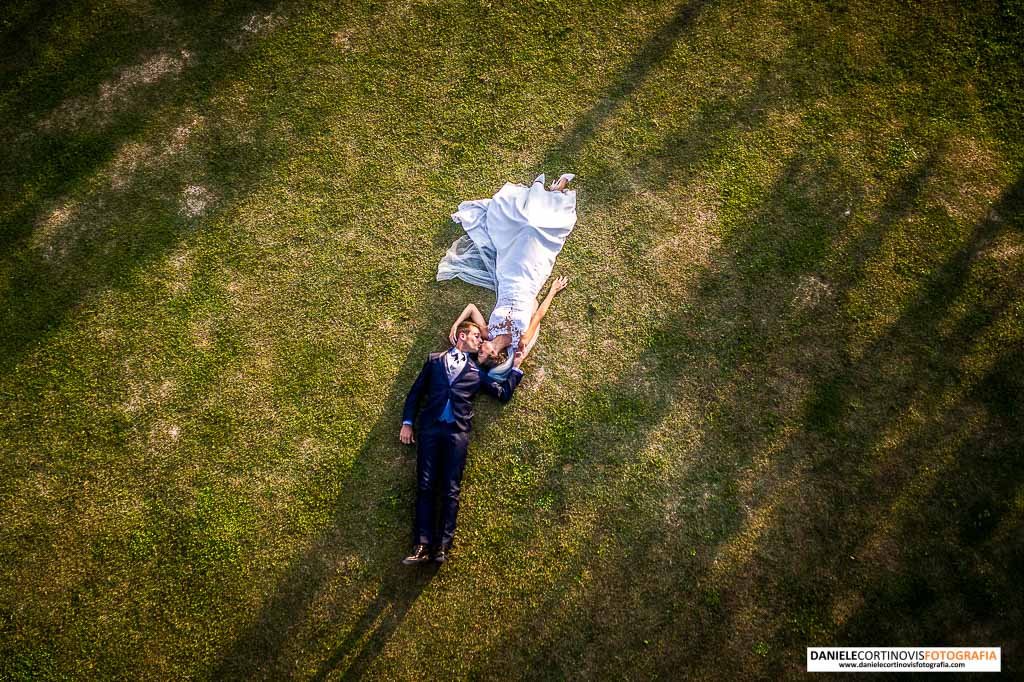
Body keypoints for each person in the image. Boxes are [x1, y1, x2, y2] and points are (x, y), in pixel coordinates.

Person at [399, 320, 524, 565]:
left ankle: (442, 547)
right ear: (462, 336)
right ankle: (422, 545)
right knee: (425, 485)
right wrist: (407, 422)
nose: (481, 340)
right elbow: (416, 393)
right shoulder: (434, 360)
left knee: (451, 489)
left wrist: (516, 369)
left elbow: (502, 394)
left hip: (457, 435)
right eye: (476, 335)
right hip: (430, 431)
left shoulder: (476, 372)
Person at [437, 172, 577, 374]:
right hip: (529, 280)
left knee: (524, 227)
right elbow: (539, 314)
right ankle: (555, 196)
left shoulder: (487, 332)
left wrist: (456, 326)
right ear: (494, 355)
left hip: (507, 276)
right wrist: (553, 290)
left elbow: (471, 308)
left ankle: (542, 196)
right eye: (482, 353)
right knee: (532, 230)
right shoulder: (521, 341)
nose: (479, 348)